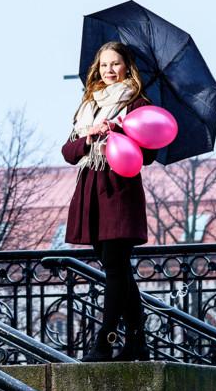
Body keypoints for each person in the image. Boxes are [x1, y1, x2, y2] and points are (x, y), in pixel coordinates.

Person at [61, 41, 155, 362]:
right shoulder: (89, 104)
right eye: (103, 65)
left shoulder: (137, 103)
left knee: (115, 264)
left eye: (115, 64)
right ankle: (137, 338)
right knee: (114, 265)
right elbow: (68, 152)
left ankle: (106, 338)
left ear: (127, 66)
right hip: (90, 186)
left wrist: (122, 130)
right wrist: (90, 137)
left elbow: (151, 153)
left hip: (119, 188)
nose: (109, 70)